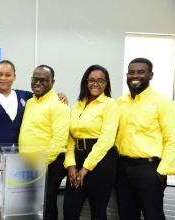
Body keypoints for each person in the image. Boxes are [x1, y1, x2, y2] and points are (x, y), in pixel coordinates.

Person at [0, 60, 67, 220]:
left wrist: (61, 94)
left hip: (18, 159)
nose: (4, 78)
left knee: (17, 203)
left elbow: (44, 94)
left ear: (14, 77)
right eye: (0, 74)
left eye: (8, 75)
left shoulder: (24, 96)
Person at [115, 57, 175, 220]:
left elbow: (174, 139)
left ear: (150, 75)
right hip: (121, 169)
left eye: (140, 72)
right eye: (131, 72)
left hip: (149, 170)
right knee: (126, 215)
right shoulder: (119, 103)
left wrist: (162, 170)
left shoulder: (164, 103)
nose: (135, 76)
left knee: (153, 215)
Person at [62, 65, 119, 220]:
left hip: (101, 161)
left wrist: (85, 168)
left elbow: (106, 140)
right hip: (77, 158)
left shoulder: (110, 104)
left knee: (97, 210)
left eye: (100, 80)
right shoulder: (79, 104)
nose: (96, 84)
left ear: (106, 83)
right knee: (70, 208)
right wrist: (71, 165)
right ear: (86, 82)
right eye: (92, 80)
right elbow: (70, 136)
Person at [19, 64, 70, 220]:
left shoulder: (59, 104)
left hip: (48, 164)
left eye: (44, 80)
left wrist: (41, 164)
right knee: (31, 206)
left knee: (46, 207)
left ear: (52, 82)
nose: (38, 83)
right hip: (29, 163)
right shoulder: (30, 101)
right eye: (35, 79)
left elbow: (60, 140)